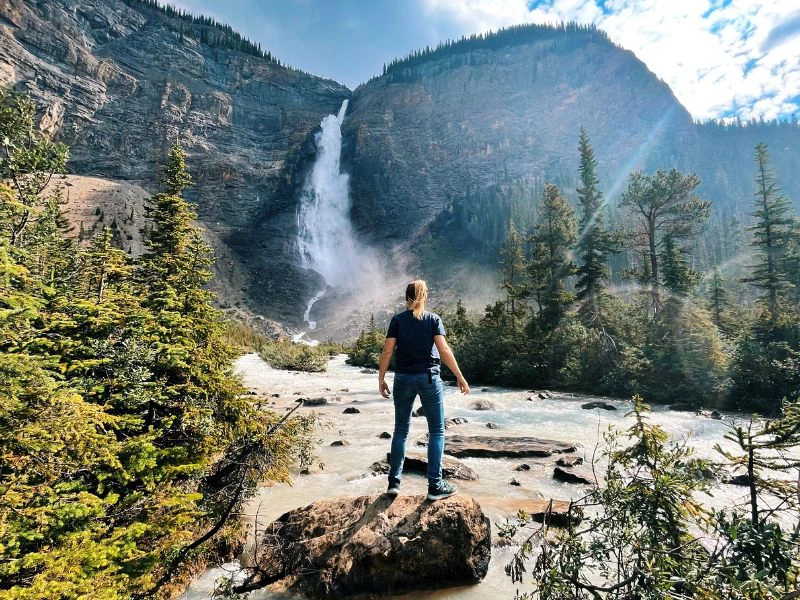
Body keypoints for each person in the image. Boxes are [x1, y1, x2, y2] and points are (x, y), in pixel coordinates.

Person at [378, 279, 470, 501]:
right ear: (424, 296)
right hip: (429, 378)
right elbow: (444, 350)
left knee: (400, 430)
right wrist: (459, 376)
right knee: (437, 431)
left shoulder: (397, 320)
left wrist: (381, 378)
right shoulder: (433, 320)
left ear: (406, 297)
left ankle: (393, 483)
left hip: (402, 379)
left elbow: (387, 351)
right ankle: (434, 486)